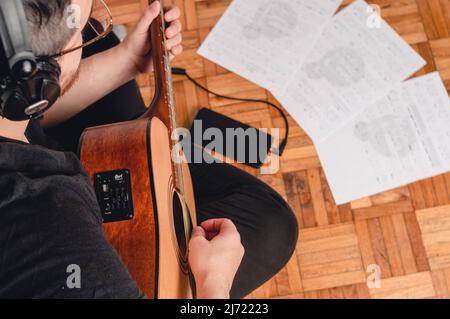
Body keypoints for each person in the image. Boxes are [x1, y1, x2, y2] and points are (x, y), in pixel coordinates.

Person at [0, 0, 298, 299]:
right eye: (78, 36)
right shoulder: (56, 233)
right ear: (40, 78)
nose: (85, 33)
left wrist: (126, 60)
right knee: (271, 225)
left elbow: (23, 112)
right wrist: (213, 282)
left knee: (103, 44)